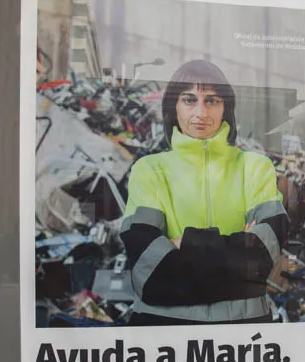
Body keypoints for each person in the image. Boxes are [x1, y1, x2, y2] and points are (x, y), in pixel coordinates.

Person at [120, 59, 289, 326]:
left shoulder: (256, 167)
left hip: (243, 333)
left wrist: (184, 244)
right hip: (164, 331)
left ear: (225, 108)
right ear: (173, 107)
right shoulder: (149, 170)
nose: (201, 112)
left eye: (212, 100)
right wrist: (237, 254)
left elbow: (263, 258)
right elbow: (150, 273)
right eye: (189, 100)